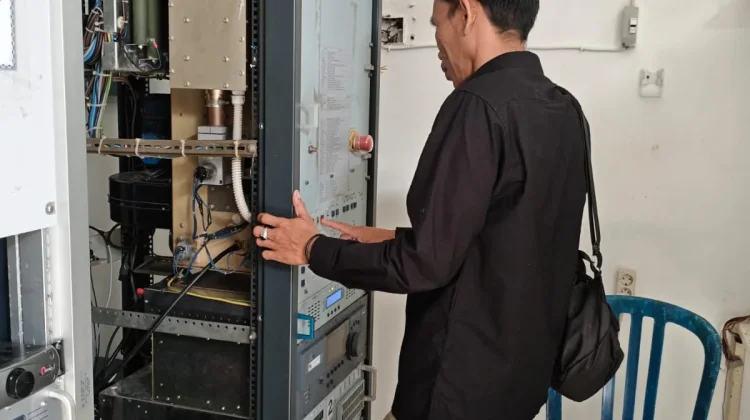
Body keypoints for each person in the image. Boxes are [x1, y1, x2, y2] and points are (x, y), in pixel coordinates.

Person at [253, 0, 588, 418]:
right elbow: (506, 239)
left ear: (466, 12)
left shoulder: (477, 105)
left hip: (454, 394)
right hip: (518, 389)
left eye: (436, 24)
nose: (438, 45)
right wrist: (392, 239)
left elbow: (424, 265)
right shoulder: (565, 108)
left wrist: (312, 248)